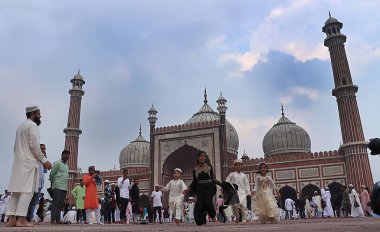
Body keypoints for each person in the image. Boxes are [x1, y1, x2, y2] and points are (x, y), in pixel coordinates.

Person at [5, 106, 52, 227]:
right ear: (33, 114)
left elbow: (15, 147)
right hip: (29, 164)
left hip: (18, 163)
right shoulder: (32, 126)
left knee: (16, 191)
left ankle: (11, 219)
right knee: (27, 191)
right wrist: (45, 161)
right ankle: (21, 219)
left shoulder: (20, 127)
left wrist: (20, 158)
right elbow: (34, 146)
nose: (40, 116)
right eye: (39, 113)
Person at [188, 151, 220, 226]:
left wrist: (221, 184)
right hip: (200, 187)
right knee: (199, 205)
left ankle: (213, 217)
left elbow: (213, 179)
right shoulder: (195, 169)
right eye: (201, 156)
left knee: (207, 202)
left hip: (209, 187)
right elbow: (195, 181)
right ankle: (201, 221)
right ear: (198, 158)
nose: (203, 158)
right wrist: (188, 188)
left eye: (204, 156)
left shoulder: (209, 167)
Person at [26, 144, 48, 222]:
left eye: (44, 149)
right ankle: (26, 218)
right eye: (42, 148)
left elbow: (45, 171)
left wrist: (44, 160)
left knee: (34, 203)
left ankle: (29, 219)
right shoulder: (34, 158)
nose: (43, 150)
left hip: (40, 184)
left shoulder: (42, 160)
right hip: (33, 183)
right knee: (29, 201)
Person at [49, 150, 70, 224]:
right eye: (65, 154)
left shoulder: (66, 165)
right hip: (57, 186)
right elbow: (52, 174)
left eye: (68, 155)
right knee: (55, 203)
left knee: (60, 204)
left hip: (64, 187)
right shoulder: (57, 163)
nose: (67, 156)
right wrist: (52, 183)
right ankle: (53, 220)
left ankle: (58, 220)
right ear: (62, 155)